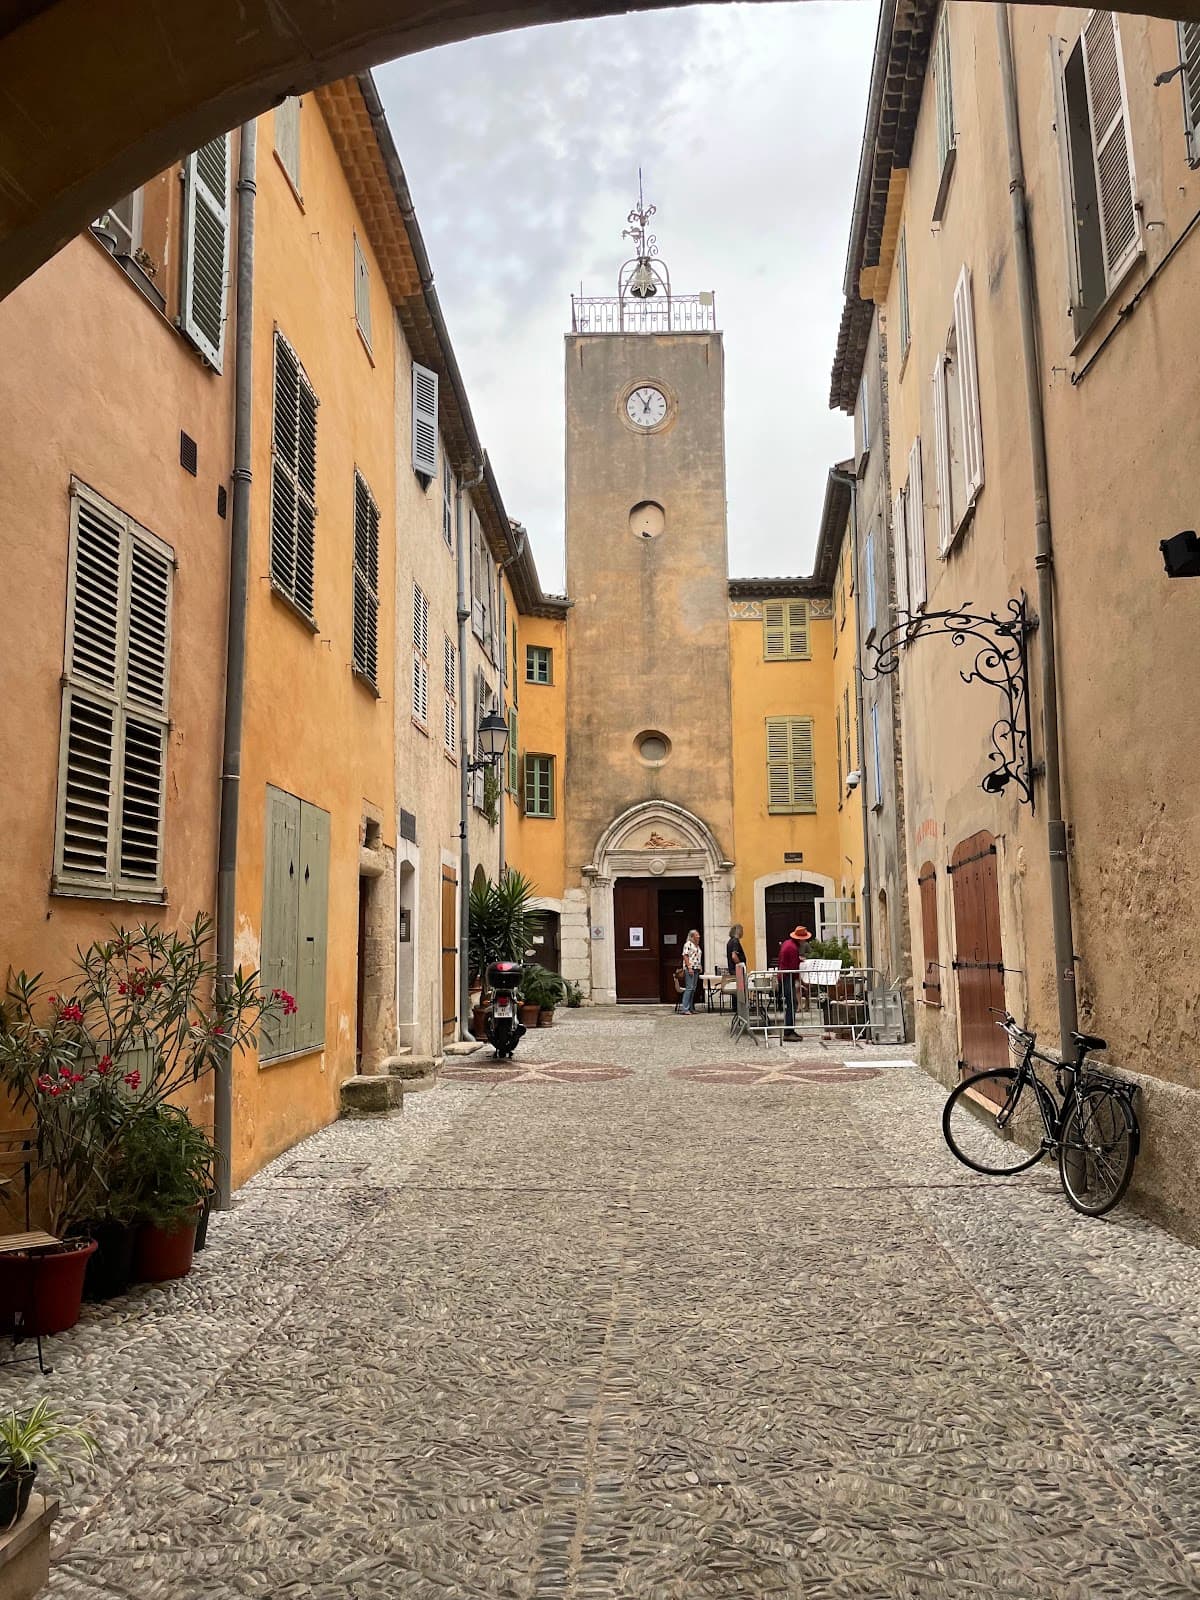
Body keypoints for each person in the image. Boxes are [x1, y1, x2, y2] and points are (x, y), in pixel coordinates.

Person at [776, 925, 812, 1038]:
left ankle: (790, 1030)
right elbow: (793, 967)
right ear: (800, 939)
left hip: (784, 975)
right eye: (804, 938)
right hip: (787, 976)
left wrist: (798, 959)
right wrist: (799, 980)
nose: (805, 940)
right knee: (792, 1003)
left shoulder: (788, 944)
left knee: (791, 1002)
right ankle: (788, 1031)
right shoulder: (793, 948)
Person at [679, 928, 703, 1015]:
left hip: (696, 968)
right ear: (692, 936)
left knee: (693, 988)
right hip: (690, 968)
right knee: (689, 988)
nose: (699, 936)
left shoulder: (697, 945)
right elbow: (685, 956)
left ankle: (691, 1008)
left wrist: (700, 966)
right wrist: (689, 967)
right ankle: (685, 1008)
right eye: (697, 935)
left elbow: (697, 957)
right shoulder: (688, 944)